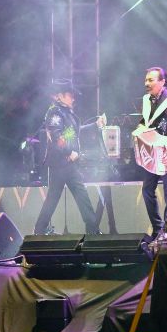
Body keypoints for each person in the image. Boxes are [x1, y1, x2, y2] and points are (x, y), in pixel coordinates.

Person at [33, 79, 105, 235]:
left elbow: (75, 132)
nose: (73, 98)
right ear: (60, 96)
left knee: (75, 196)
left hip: (68, 165)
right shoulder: (55, 112)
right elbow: (55, 135)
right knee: (62, 197)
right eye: (70, 95)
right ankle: (39, 230)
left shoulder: (66, 113)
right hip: (61, 164)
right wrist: (68, 152)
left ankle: (92, 230)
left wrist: (95, 125)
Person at [137, 67, 167, 240]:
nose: (146, 83)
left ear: (162, 82)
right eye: (146, 80)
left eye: (151, 80)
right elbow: (146, 122)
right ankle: (158, 229)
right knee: (147, 190)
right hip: (152, 153)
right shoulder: (146, 100)